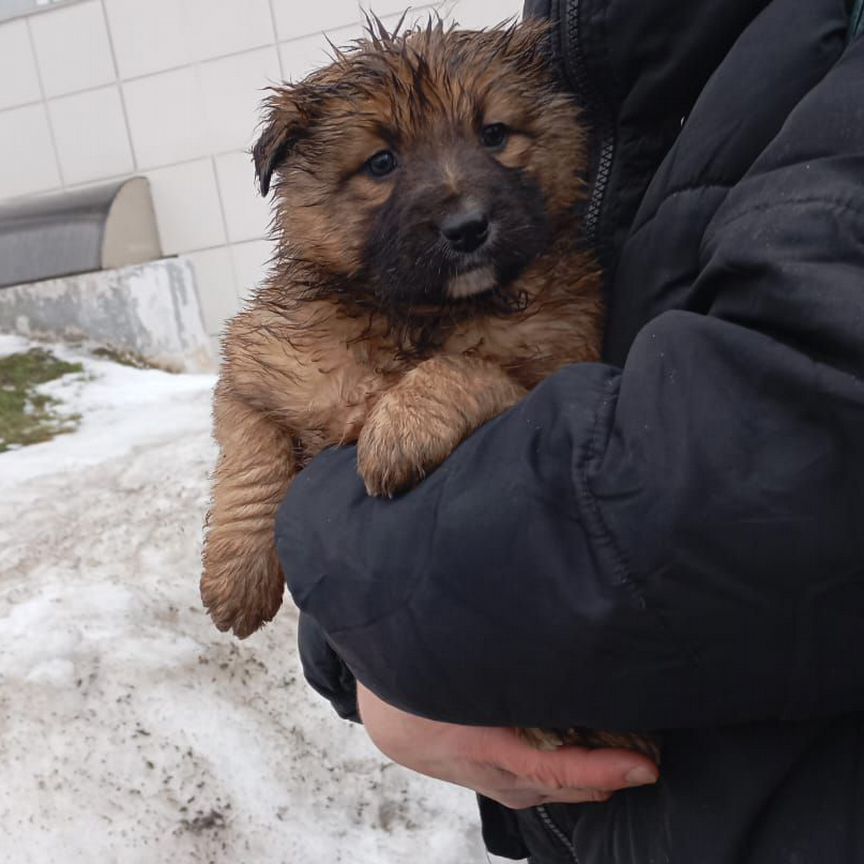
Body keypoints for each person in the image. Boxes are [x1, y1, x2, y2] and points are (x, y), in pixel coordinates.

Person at [276, 0, 864, 860]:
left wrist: (360, 591)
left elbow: (767, 464)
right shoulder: (608, 48)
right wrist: (361, 652)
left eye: (498, 137)